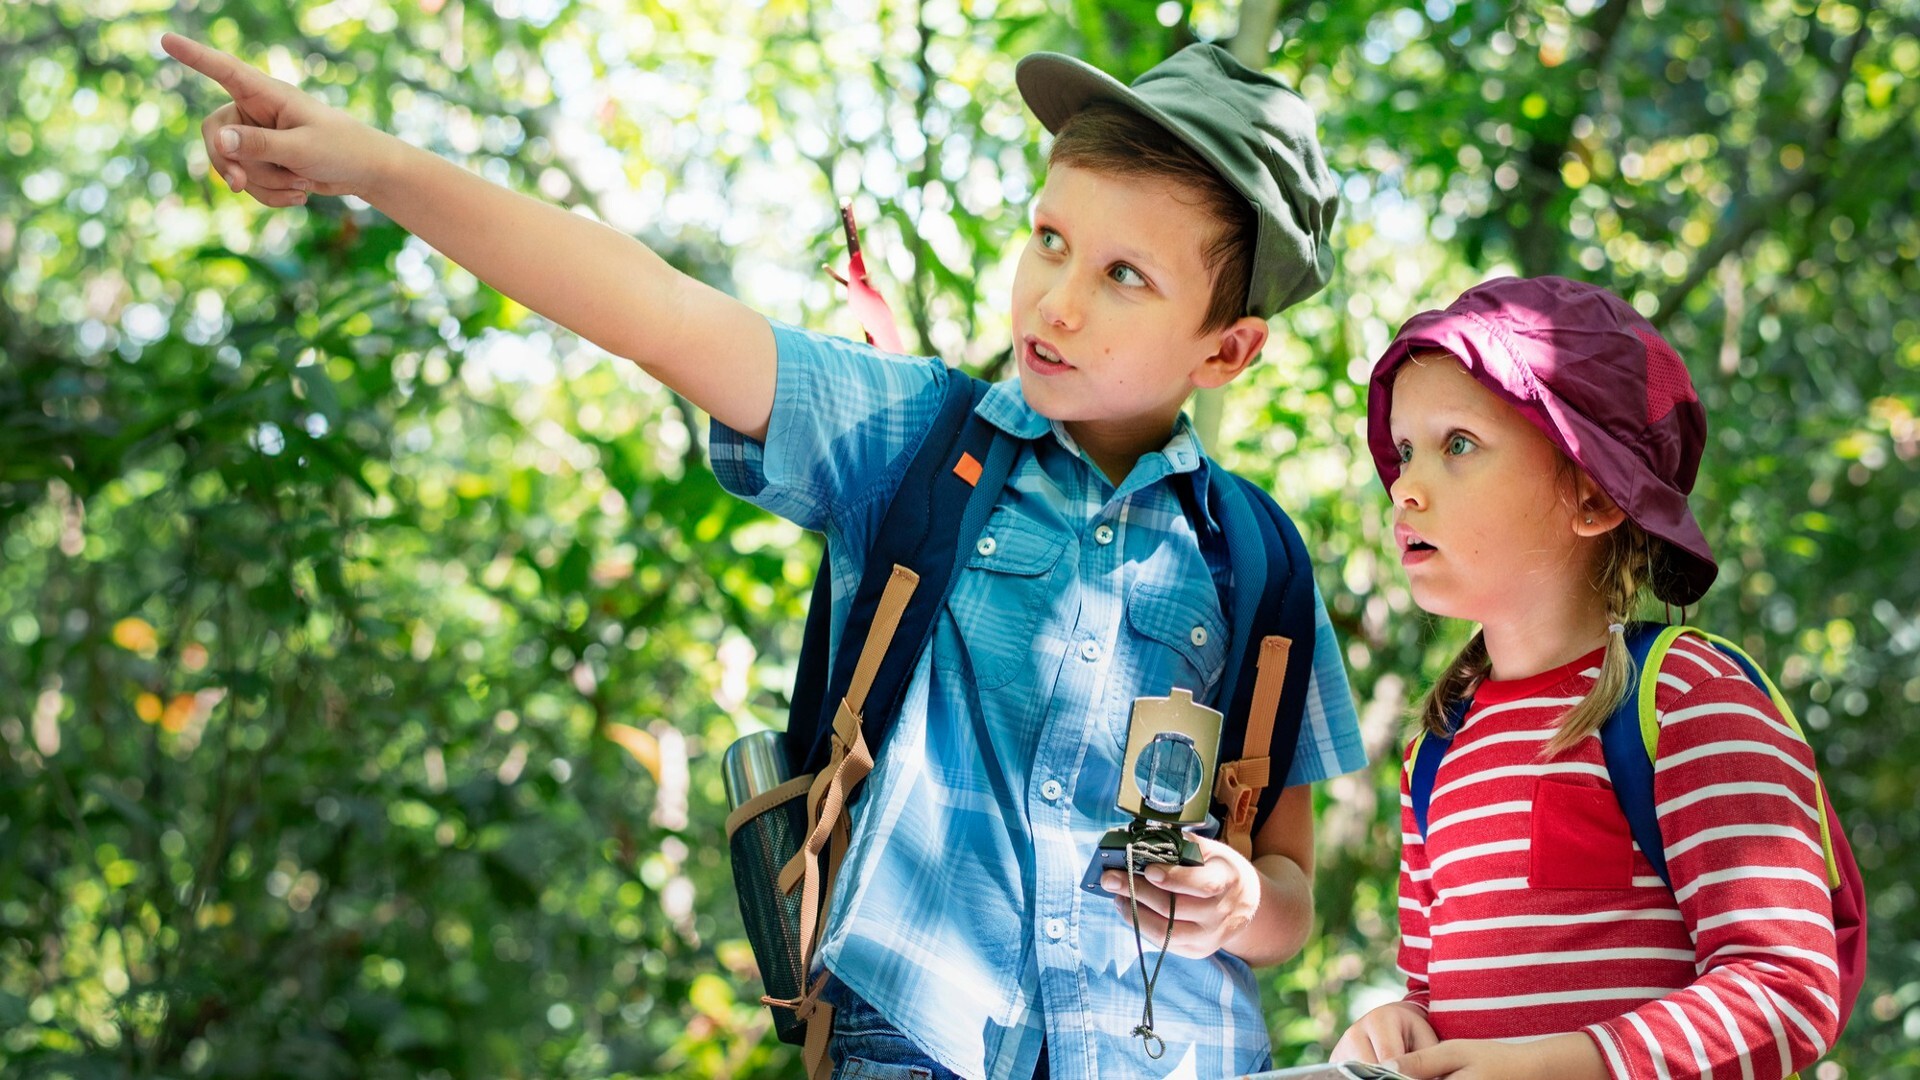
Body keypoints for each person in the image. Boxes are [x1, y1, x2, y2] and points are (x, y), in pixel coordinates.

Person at [163, 32, 1367, 1078]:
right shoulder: (917, 442)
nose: (1054, 302)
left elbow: (1290, 892)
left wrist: (1245, 903)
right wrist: (369, 162)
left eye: (1123, 277)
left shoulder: (1256, 559)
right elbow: (657, 310)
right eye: (1050, 240)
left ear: (1229, 351)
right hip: (921, 1047)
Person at [1332, 277, 1841, 1080]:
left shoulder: (1686, 702)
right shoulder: (1437, 748)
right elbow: (1436, 994)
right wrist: (1399, 1025)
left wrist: (1575, 1063)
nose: (1404, 487)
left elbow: (1789, 991)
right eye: (1404, 451)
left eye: (1458, 444)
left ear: (1596, 496)